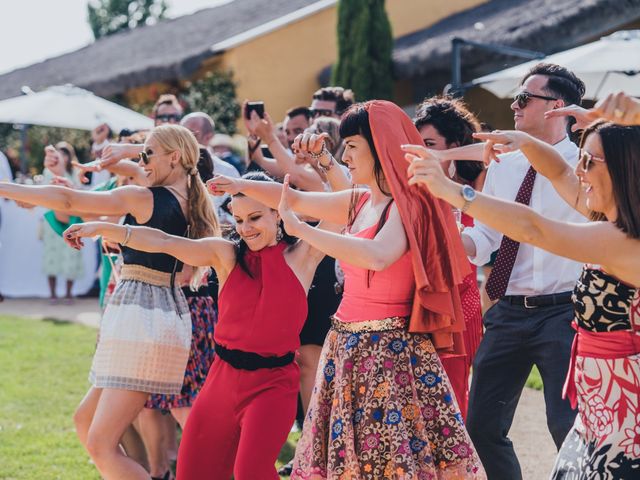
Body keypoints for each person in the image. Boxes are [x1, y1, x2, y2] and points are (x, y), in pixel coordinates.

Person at [210, 100, 485, 479]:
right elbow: (299, 200)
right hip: (347, 349)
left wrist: (305, 229)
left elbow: (377, 255)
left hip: (389, 355)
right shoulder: (361, 201)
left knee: (388, 462)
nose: (346, 156)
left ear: (378, 147)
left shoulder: (409, 205)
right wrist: (241, 185)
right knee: (352, 463)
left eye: (352, 146)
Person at [403, 107, 640, 479]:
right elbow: (560, 172)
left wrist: (452, 191)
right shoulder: (606, 219)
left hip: (625, 411)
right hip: (600, 407)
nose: (579, 170)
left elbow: (534, 229)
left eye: (590, 161)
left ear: (626, 168)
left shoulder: (623, 241)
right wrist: (526, 142)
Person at [66, 171, 329, 480]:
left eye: (255, 217)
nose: (245, 228)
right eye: (239, 219)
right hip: (221, 380)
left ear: (277, 212)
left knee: (250, 473)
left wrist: (319, 164)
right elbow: (164, 241)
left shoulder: (303, 255)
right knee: (192, 473)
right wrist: (107, 228)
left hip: (273, 385)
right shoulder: (226, 254)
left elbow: (347, 205)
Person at [0, 124, 218, 480]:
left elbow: (71, 203)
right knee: (84, 422)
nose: (141, 161)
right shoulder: (187, 198)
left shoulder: (147, 198)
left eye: (147, 154)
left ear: (174, 157)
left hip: (144, 322)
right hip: (153, 316)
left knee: (100, 443)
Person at [428, 63, 587, 479]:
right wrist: (445, 233)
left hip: (565, 313)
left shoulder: (586, 167)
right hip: (508, 311)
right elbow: (483, 241)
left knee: (566, 426)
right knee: (480, 426)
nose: (512, 107)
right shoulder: (502, 166)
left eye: (524, 99)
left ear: (557, 107)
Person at [413, 96, 485, 418]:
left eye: (429, 144)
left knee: (453, 405)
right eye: (417, 144)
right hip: (415, 308)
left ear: (453, 146)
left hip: (462, 310)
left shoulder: (476, 188)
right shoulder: (410, 192)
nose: (422, 151)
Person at [41, 142, 85, 304]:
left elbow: (80, 193)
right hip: (53, 218)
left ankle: (68, 293)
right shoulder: (47, 172)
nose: (61, 157)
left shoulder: (76, 172)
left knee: (71, 256)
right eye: (58, 154)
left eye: (64, 154)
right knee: (51, 256)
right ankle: (52, 294)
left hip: (72, 218)